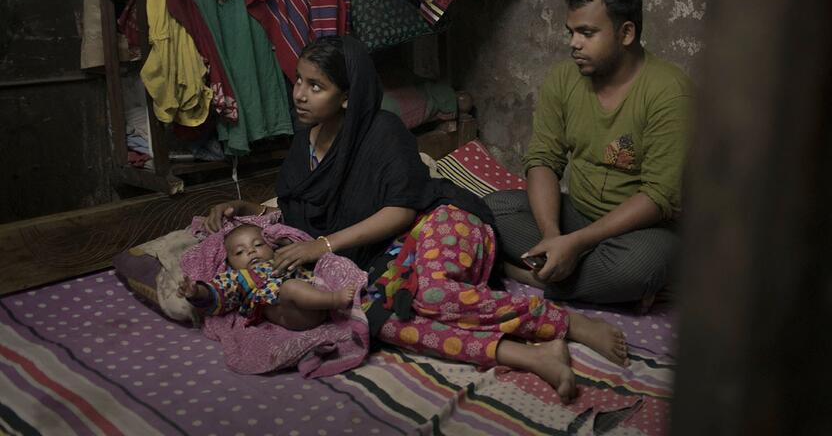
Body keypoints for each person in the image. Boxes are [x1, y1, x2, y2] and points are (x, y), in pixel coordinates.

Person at [203, 35, 627, 403]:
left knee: (433, 294)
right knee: (379, 321)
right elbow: (303, 208)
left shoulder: (382, 131)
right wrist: (254, 212)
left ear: (347, 95)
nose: (299, 94)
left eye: (316, 86)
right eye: (298, 80)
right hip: (382, 255)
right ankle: (530, 355)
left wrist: (324, 245)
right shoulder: (306, 143)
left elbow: (401, 209)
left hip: (439, 219)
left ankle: (566, 323)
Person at [484, 0, 692, 308]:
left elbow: (658, 196)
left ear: (626, 33)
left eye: (587, 33)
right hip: (577, 214)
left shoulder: (669, 92)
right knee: (491, 209)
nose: (573, 43)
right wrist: (553, 236)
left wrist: (578, 244)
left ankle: (530, 275)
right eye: (572, 32)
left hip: (641, 232)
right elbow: (543, 160)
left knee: (638, 268)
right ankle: (581, 276)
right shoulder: (564, 78)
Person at [178, 223, 356, 330]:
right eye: (240, 252)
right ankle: (334, 300)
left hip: (316, 305)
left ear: (271, 246)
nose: (251, 251)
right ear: (230, 263)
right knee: (290, 287)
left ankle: (347, 298)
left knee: (331, 265)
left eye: (258, 244)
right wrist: (197, 292)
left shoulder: (282, 259)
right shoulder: (240, 277)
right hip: (292, 315)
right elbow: (218, 292)